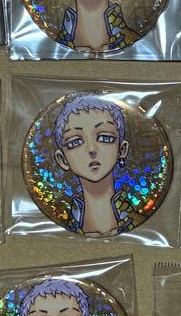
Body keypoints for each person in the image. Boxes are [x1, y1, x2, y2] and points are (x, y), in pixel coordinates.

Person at [52, 94, 133, 236]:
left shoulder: (137, 221)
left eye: (105, 138)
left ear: (121, 150)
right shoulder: (60, 231)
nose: (91, 149)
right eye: (75, 142)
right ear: (63, 159)